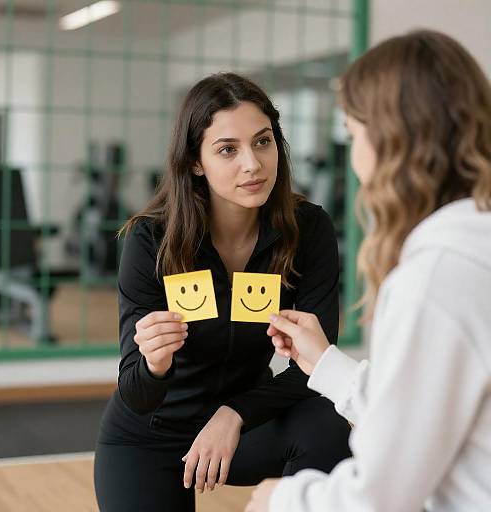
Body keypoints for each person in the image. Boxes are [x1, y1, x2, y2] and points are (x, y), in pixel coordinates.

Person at [245, 29, 491, 512]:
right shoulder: (474, 242)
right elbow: (425, 414)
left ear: (389, 141)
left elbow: (382, 494)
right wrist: (327, 365)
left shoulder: (436, 276)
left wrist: (282, 499)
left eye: (354, 134)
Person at [94, 72, 351, 511]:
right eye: (227, 150)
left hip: (247, 422)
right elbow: (136, 391)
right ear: (196, 161)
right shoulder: (151, 240)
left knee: (330, 424)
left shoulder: (308, 229)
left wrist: (234, 413)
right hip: (150, 434)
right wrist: (154, 364)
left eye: (263, 141)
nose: (251, 164)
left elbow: (318, 364)